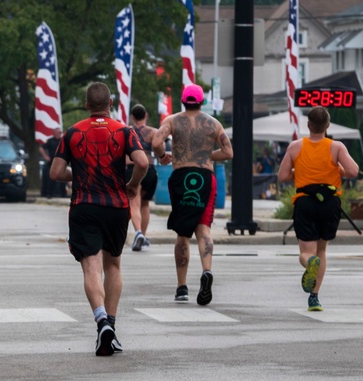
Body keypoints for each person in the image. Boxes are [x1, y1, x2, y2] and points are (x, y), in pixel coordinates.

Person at [50, 82, 147, 356]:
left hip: (84, 206)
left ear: (86, 105)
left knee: (91, 267)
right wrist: (132, 185)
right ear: (111, 104)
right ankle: (111, 326)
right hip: (116, 206)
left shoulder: (72, 132)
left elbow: (56, 173)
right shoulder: (124, 131)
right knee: (113, 265)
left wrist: (79, 174)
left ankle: (102, 321)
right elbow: (142, 162)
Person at [151, 84, 234, 306]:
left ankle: (182, 287)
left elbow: (156, 141)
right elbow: (229, 152)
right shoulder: (213, 123)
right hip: (205, 177)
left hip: (182, 177)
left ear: (183, 101)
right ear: (201, 101)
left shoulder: (172, 120)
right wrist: (206, 155)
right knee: (203, 229)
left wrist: (162, 155)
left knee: (182, 233)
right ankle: (207, 271)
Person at [276, 107, 358, 312]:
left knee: (306, 252)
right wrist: (336, 169)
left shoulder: (295, 147)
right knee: (322, 250)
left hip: (305, 201)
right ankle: (314, 298)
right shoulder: (336, 147)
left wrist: (299, 171)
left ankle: (309, 262)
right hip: (329, 202)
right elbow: (353, 171)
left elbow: (282, 176)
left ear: (308, 125)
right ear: (327, 125)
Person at [126, 105, 159, 252]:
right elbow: (159, 148)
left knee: (134, 202)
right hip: (149, 169)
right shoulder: (153, 132)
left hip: (131, 168)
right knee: (145, 204)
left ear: (132, 117)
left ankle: (138, 232)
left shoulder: (126, 131)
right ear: (145, 115)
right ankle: (143, 236)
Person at [40, 127, 65, 198]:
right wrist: (46, 156)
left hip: (61, 162)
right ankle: (49, 194)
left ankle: (63, 194)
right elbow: (41, 148)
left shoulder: (63, 141)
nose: (60, 133)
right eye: (58, 132)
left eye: (60, 132)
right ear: (54, 133)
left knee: (63, 177)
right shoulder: (50, 141)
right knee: (51, 178)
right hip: (52, 162)